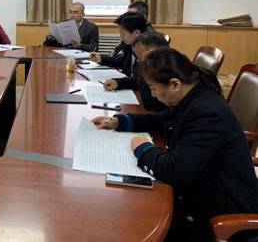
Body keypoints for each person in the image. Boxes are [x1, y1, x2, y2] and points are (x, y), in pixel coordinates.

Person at [92, 48, 258, 242]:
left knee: (130, 220)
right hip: (199, 192)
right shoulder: (191, 97)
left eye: (153, 88)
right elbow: (162, 120)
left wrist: (143, 149)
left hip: (219, 212)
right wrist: (121, 121)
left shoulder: (206, 112)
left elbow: (175, 171)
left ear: (175, 84)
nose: (152, 94)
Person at [102, 32, 169, 112]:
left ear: (153, 53)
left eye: (141, 59)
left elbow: (151, 104)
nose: (139, 62)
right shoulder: (151, 67)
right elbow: (137, 80)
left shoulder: (167, 75)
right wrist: (118, 83)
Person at [89, 12, 147, 77]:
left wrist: (118, 82)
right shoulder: (129, 44)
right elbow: (121, 62)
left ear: (136, 33)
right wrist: (101, 59)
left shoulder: (148, 50)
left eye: (123, 33)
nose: (120, 36)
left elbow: (139, 79)